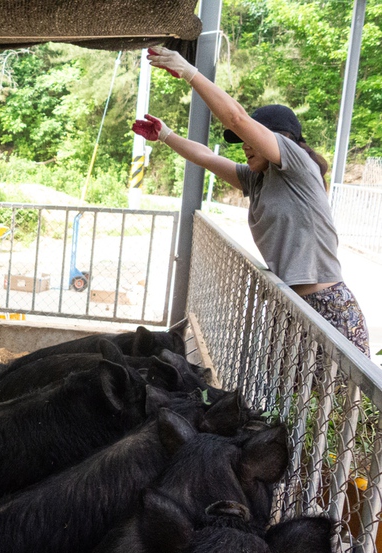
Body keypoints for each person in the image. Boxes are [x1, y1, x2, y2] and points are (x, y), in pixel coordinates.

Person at [132, 46, 371, 357]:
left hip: (328, 308)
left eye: (249, 139)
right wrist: (165, 135)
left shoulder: (297, 164)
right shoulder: (256, 179)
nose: (244, 146)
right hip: (291, 309)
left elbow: (236, 117)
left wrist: (189, 72)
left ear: (279, 139)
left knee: (335, 405)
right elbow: (205, 157)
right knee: (290, 403)